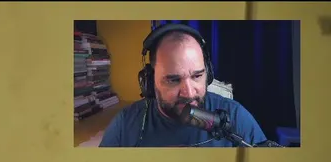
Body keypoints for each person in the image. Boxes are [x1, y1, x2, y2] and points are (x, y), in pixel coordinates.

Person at [99, 23, 267, 148]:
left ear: (208, 74)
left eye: (197, 76)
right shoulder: (124, 125)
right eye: (173, 80)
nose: (189, 93)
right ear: (150, 81)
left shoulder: (236, 117)